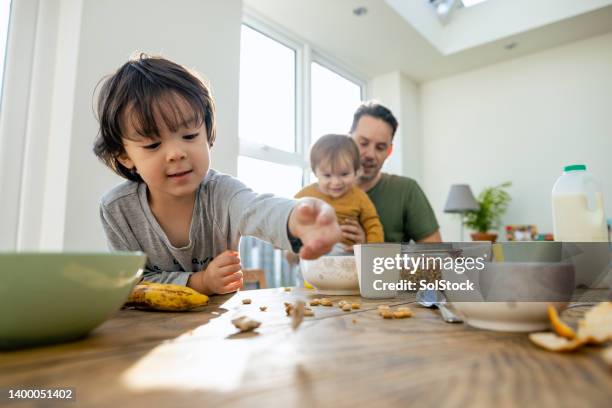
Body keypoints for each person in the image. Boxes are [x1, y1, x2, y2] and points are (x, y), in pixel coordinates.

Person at [93, 54, 341, 295]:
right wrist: (200, 282)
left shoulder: (222, 192)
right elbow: (132, 282)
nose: (176, 153)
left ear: (207, 131)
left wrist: (295, 220)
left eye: (190, 136)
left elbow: (256, 209)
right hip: (148, 328)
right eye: (153, 145)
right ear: (124, 155)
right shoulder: (117, 208)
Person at [342, 101, 441, 247]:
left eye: (380, 147)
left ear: (389, 151)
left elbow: (437, 257)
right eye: (363, 143)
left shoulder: (406, 190)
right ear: (348, 141)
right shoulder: (318, 192)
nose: (370, 154)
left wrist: (368, 249)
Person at [295, 134, 384, 250]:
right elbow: (287, 216)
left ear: (356, 171)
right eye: (327, 175)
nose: (336, 182)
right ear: (315, 172)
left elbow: (372, 223)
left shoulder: (359, 197)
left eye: (344, 174)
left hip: (347, 253)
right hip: (314, 252)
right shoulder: (305, 195)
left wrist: (370, 249)